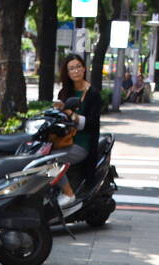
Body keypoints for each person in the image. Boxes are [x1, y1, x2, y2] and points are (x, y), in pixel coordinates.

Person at [54, 54, 102, 204]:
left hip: (82, 143)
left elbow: (93, 124)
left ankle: (68, 193)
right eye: (71, 69)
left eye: (78, 67)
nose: (75, 71)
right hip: (63, 140)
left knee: (53, 161)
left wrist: (73, 116)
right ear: (67, 73)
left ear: (84, 68)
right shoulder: (64, 92)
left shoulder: (93, 94)